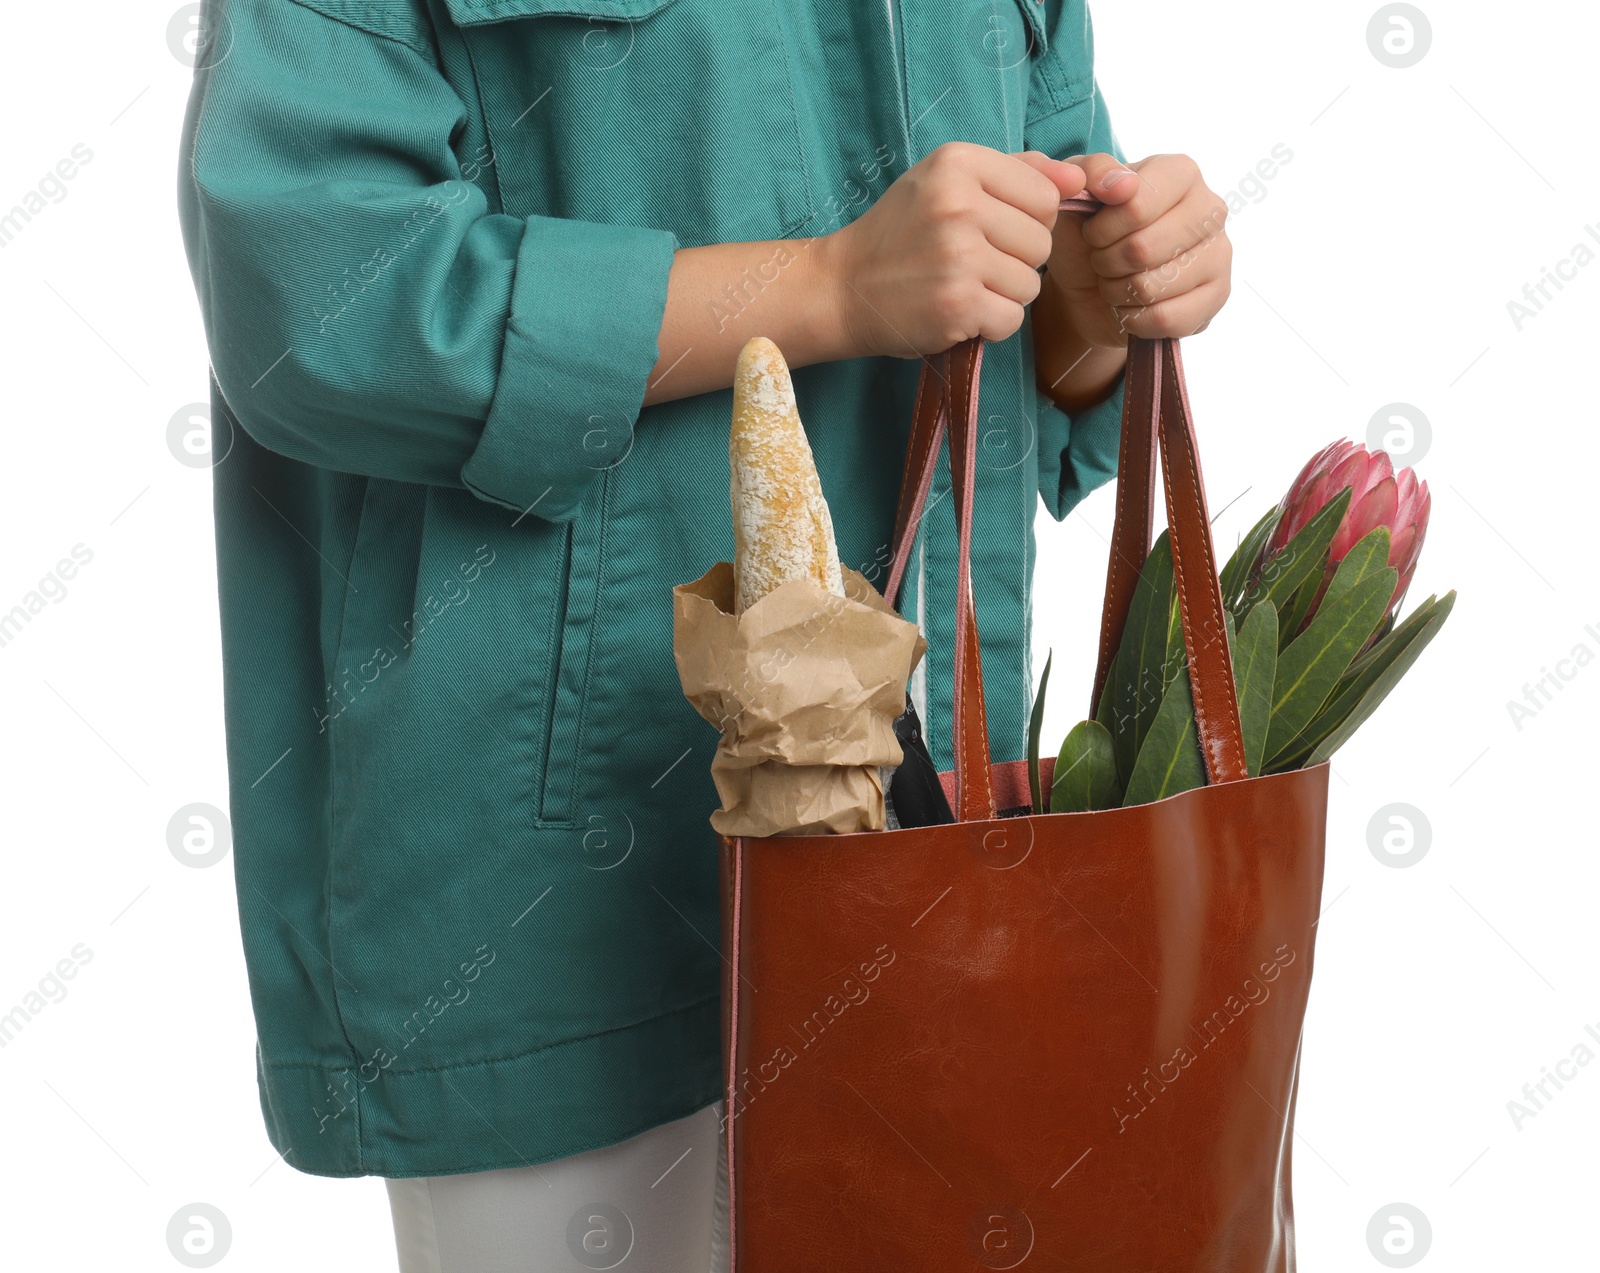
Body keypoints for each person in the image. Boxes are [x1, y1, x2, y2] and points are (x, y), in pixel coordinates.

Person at [176, 0, 1232, 1268]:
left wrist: (1108, 290)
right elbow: (314, 298)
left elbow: (1040, 342)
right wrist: (832, 285)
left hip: (936, 829)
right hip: (545, 890)